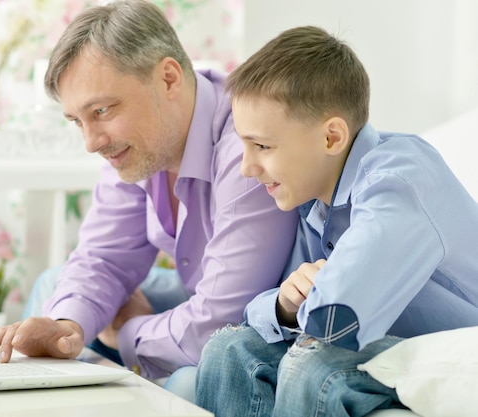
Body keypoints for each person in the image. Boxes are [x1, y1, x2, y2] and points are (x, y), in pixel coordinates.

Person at [0, 0, 298, 400]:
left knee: (188, 378)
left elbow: (221, 322)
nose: (91, 142)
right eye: (78, 121)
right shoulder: (140, 145)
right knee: (58, 293)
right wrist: (67, 328)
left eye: (101, 110)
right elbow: (103, 257)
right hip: (203, 297)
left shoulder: (247, 145)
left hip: (258, 326)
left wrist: (128, 333)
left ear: (168, 79)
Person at [195, 25, 478, 417]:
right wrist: (284, 305)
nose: (246, 167)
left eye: (262, 146)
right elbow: (269, 313)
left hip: (457, 346)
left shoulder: (398, 178)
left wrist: (308, 304)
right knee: (229, 350)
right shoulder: (313, 203)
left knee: (313, 367)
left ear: (331, 138)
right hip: (386, 342)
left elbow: (336, 316)